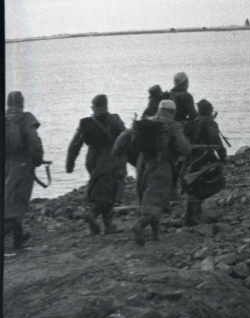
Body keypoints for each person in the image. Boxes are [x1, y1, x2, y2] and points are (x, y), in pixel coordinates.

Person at [112, 99, 191, 246]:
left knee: (149, 196)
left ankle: (155, 234)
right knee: (156, 197)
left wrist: (117, 154)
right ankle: (138, 226)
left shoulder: (145, 122)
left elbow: (124, 137)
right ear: (173, 112)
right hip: (161, 164)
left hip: (142, 164)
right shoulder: (173, 126)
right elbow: (184, 148)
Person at [66, 94, 127, 236]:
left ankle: (107, 225)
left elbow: (75, 143)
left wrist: (70, 163)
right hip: (110, 159)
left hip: (92, 159)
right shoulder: (114, 120)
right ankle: (92, 214)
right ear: (106, 106)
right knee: (110, 191)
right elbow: (125, 137)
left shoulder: (86, 124)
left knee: (102, 190)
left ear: (93, 107)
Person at [4, 91, 44, 250]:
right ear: (22, 103)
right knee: (19, 201)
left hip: (6, 165)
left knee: (11, 200)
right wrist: (38, 159)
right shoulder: (25, 118)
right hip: (21, 165)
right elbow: (34, 141)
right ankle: (13, 235)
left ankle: (18, 238)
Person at [182, 99, 227, 226]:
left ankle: (190, 216)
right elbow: (215, 140)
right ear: (210, 111)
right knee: (217, 182)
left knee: (193, 186)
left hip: (190, 160)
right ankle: (197, 213)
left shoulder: (192, 123)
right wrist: (223, 156)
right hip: (205, 158)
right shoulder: (210, 123)